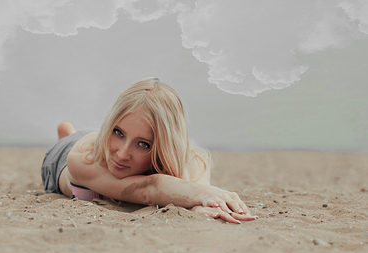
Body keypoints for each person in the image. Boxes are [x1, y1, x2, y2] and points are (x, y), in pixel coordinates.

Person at [41, 78, 257, 224]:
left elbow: (193, 194)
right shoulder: (81, 161)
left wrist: (202, 208)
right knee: (70, 140)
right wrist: (203, 194)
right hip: (65, 157)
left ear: (165, 145)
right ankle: (67, 135)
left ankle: (76, 131)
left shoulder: (193, 159)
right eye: (118, 131)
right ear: (110, 124)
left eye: (143, 144)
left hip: (99, 140)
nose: (123, 153)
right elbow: (151, 189)